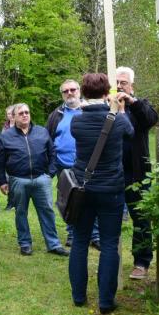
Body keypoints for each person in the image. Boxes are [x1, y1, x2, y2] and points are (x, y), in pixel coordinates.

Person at [68, 73, 134, 315]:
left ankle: (78, 297)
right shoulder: (118, 120)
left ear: (83, 93)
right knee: (108, 244)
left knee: (80, 242)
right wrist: (119, 108)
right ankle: (106, 301)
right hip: (111, 190)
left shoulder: (76, 121)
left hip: (83, 190)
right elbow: (130, 133)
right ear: (107, 92)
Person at [0, 103, 68, 257]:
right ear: (13, 117)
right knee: (21, 212)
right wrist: (2, 181)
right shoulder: (5, 137)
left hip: (41, 179)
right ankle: (25, 243)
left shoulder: (42, 132)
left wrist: (50, 173)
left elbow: (52, 153)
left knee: (47, 211)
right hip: (18, 180)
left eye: (27, 112)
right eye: (20, 113)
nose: (24, 115)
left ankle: (53, 244)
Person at [115, 67, 159, 280]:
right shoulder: (110, 107)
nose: (119, 85)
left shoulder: (140, 106)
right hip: (114, 173)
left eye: (123, 82)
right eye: (116, 82)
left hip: (137, 175)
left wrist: (132, 101)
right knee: (112, 219)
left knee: (141, 219)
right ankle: (112, 260)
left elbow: (151, 120)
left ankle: (141, 262)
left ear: (132, 85)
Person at [46, 79, 100, 250]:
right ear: (62, 94)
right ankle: (72, 233)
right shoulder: (56, 115)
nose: (69, 93)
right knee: (70, 201)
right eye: (65, 91)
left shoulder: (89, 111)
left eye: (73, 90)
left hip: (88, 164)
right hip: (64, 166)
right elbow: (48, 140)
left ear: (80, 91)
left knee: (92, 198)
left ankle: (95, 235)